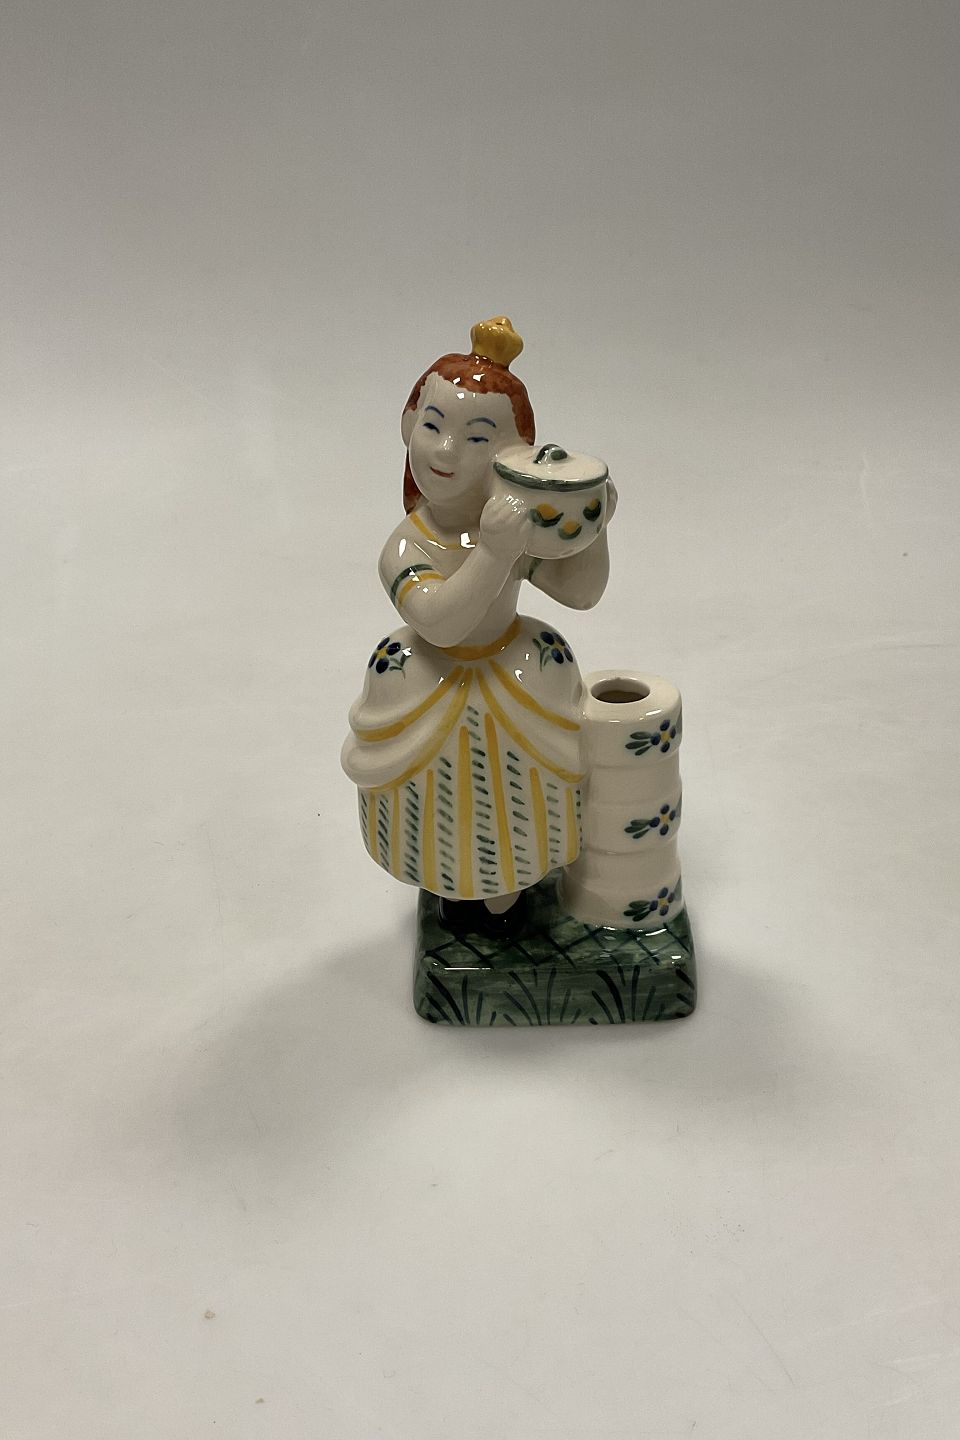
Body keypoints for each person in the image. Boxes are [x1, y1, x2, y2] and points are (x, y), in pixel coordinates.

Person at [341, 317, 615, 932]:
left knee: (521, 790)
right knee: (443, 797)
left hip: (515, 666)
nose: (445, 450)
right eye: (433, 426)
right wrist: (492, 553)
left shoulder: (507, 528)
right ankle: (454, 884)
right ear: (407, 425)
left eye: (477, 438)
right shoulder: (407, 546)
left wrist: (592, 524)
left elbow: (580, 592)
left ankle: (511, 883)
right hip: (430, 676)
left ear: (515, 454)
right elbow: (440, 623)